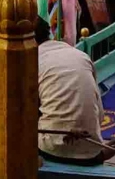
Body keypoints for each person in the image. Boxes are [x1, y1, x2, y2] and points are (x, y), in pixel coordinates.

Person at [36, 19, 108, 163]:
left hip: (50, 150)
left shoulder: (31, 59)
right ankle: (95, 154)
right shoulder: (79, 55)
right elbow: (99, 112)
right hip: (92, 148)